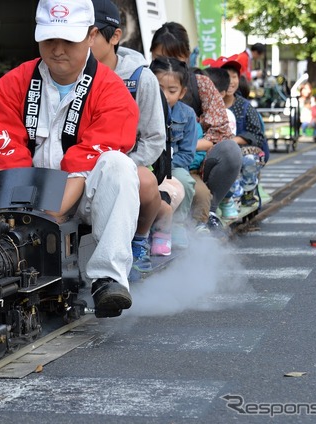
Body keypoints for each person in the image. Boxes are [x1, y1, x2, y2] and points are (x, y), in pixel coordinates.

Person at [0, 0, 140, 318]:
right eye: (49, 39)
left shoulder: (112, 89)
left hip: (80, 195)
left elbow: (88, 157)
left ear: (92, 35)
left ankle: (107, 279)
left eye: (69, 39)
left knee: (119, 166)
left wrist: (51, 212)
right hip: (20, 189)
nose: (58, 49)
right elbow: (8, 149)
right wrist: (26, 212)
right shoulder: (13, 83)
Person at [90, 0, 165, 272]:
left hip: (127, 160)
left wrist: (125, 164)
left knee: (144, 182)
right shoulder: (70, 76)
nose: (84, 41)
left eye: (93, 32)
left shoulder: (139, 78)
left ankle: (139, 238)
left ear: (115, 36)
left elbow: (155, 138)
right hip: (82, 163)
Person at [150, 22, 242, 237]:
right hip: (150, 162)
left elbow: (221, 133)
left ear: (187, 56)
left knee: (229, 152)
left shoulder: (200, 85)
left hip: (190, 162)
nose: (168, 66)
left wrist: (181, 147)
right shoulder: (143, 81)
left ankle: (204, 215)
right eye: (161, 58)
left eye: (176, 58)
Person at [149, 56, 198, 254]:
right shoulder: (142, 108)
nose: (165, 96)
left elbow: (187, 154)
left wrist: (165, 169)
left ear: (183, 92)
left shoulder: (187, 115)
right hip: (147, 164)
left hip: (173, 166)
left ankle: (177, 223)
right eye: (159, 88)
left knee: (185, 182)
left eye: (172, 91)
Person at [214, 57, 266, 213]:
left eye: (234, 77)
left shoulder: (245, 107)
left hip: (244, 150)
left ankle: (248, 191)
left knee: (248, 159)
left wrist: (233, 141)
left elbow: (257, 134)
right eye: (226, 77)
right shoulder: (211, 105)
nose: (231, 81)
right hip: (217, 150)